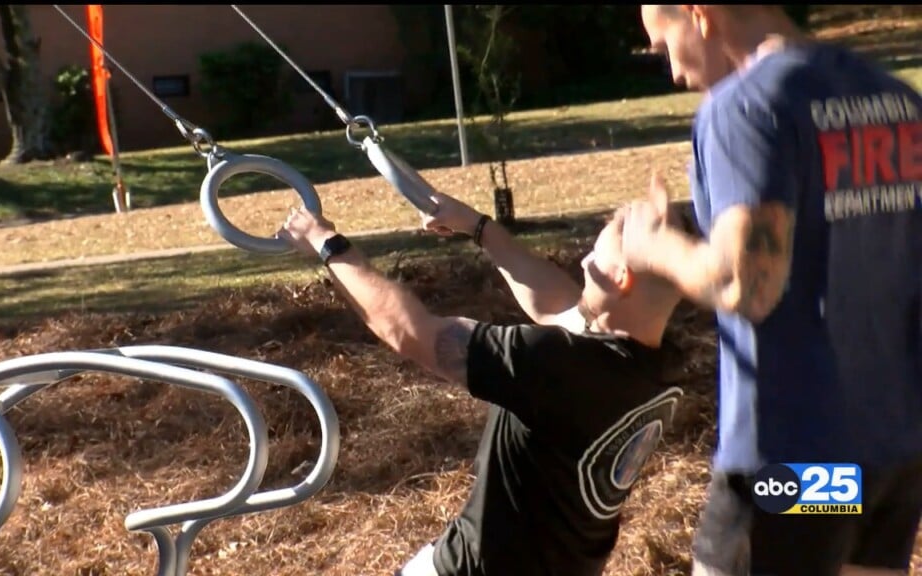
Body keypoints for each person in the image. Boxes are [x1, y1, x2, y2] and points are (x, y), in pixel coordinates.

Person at [627, 5, 922, 575]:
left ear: (700, 14)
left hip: (799, 459)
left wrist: (653, 245)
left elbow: (743, 281)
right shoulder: (896, 100)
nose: (674, 74)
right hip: (894, 449)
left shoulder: (745, 106)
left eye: (665, 47)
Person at [276, 187, 687, 576]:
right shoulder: (659, 364)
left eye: (593, 259)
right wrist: (478, 227)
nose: (583, 264)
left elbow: (409, 331)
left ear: (621, 280)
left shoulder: (554, 365)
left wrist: (325, 242)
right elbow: (561, 305)